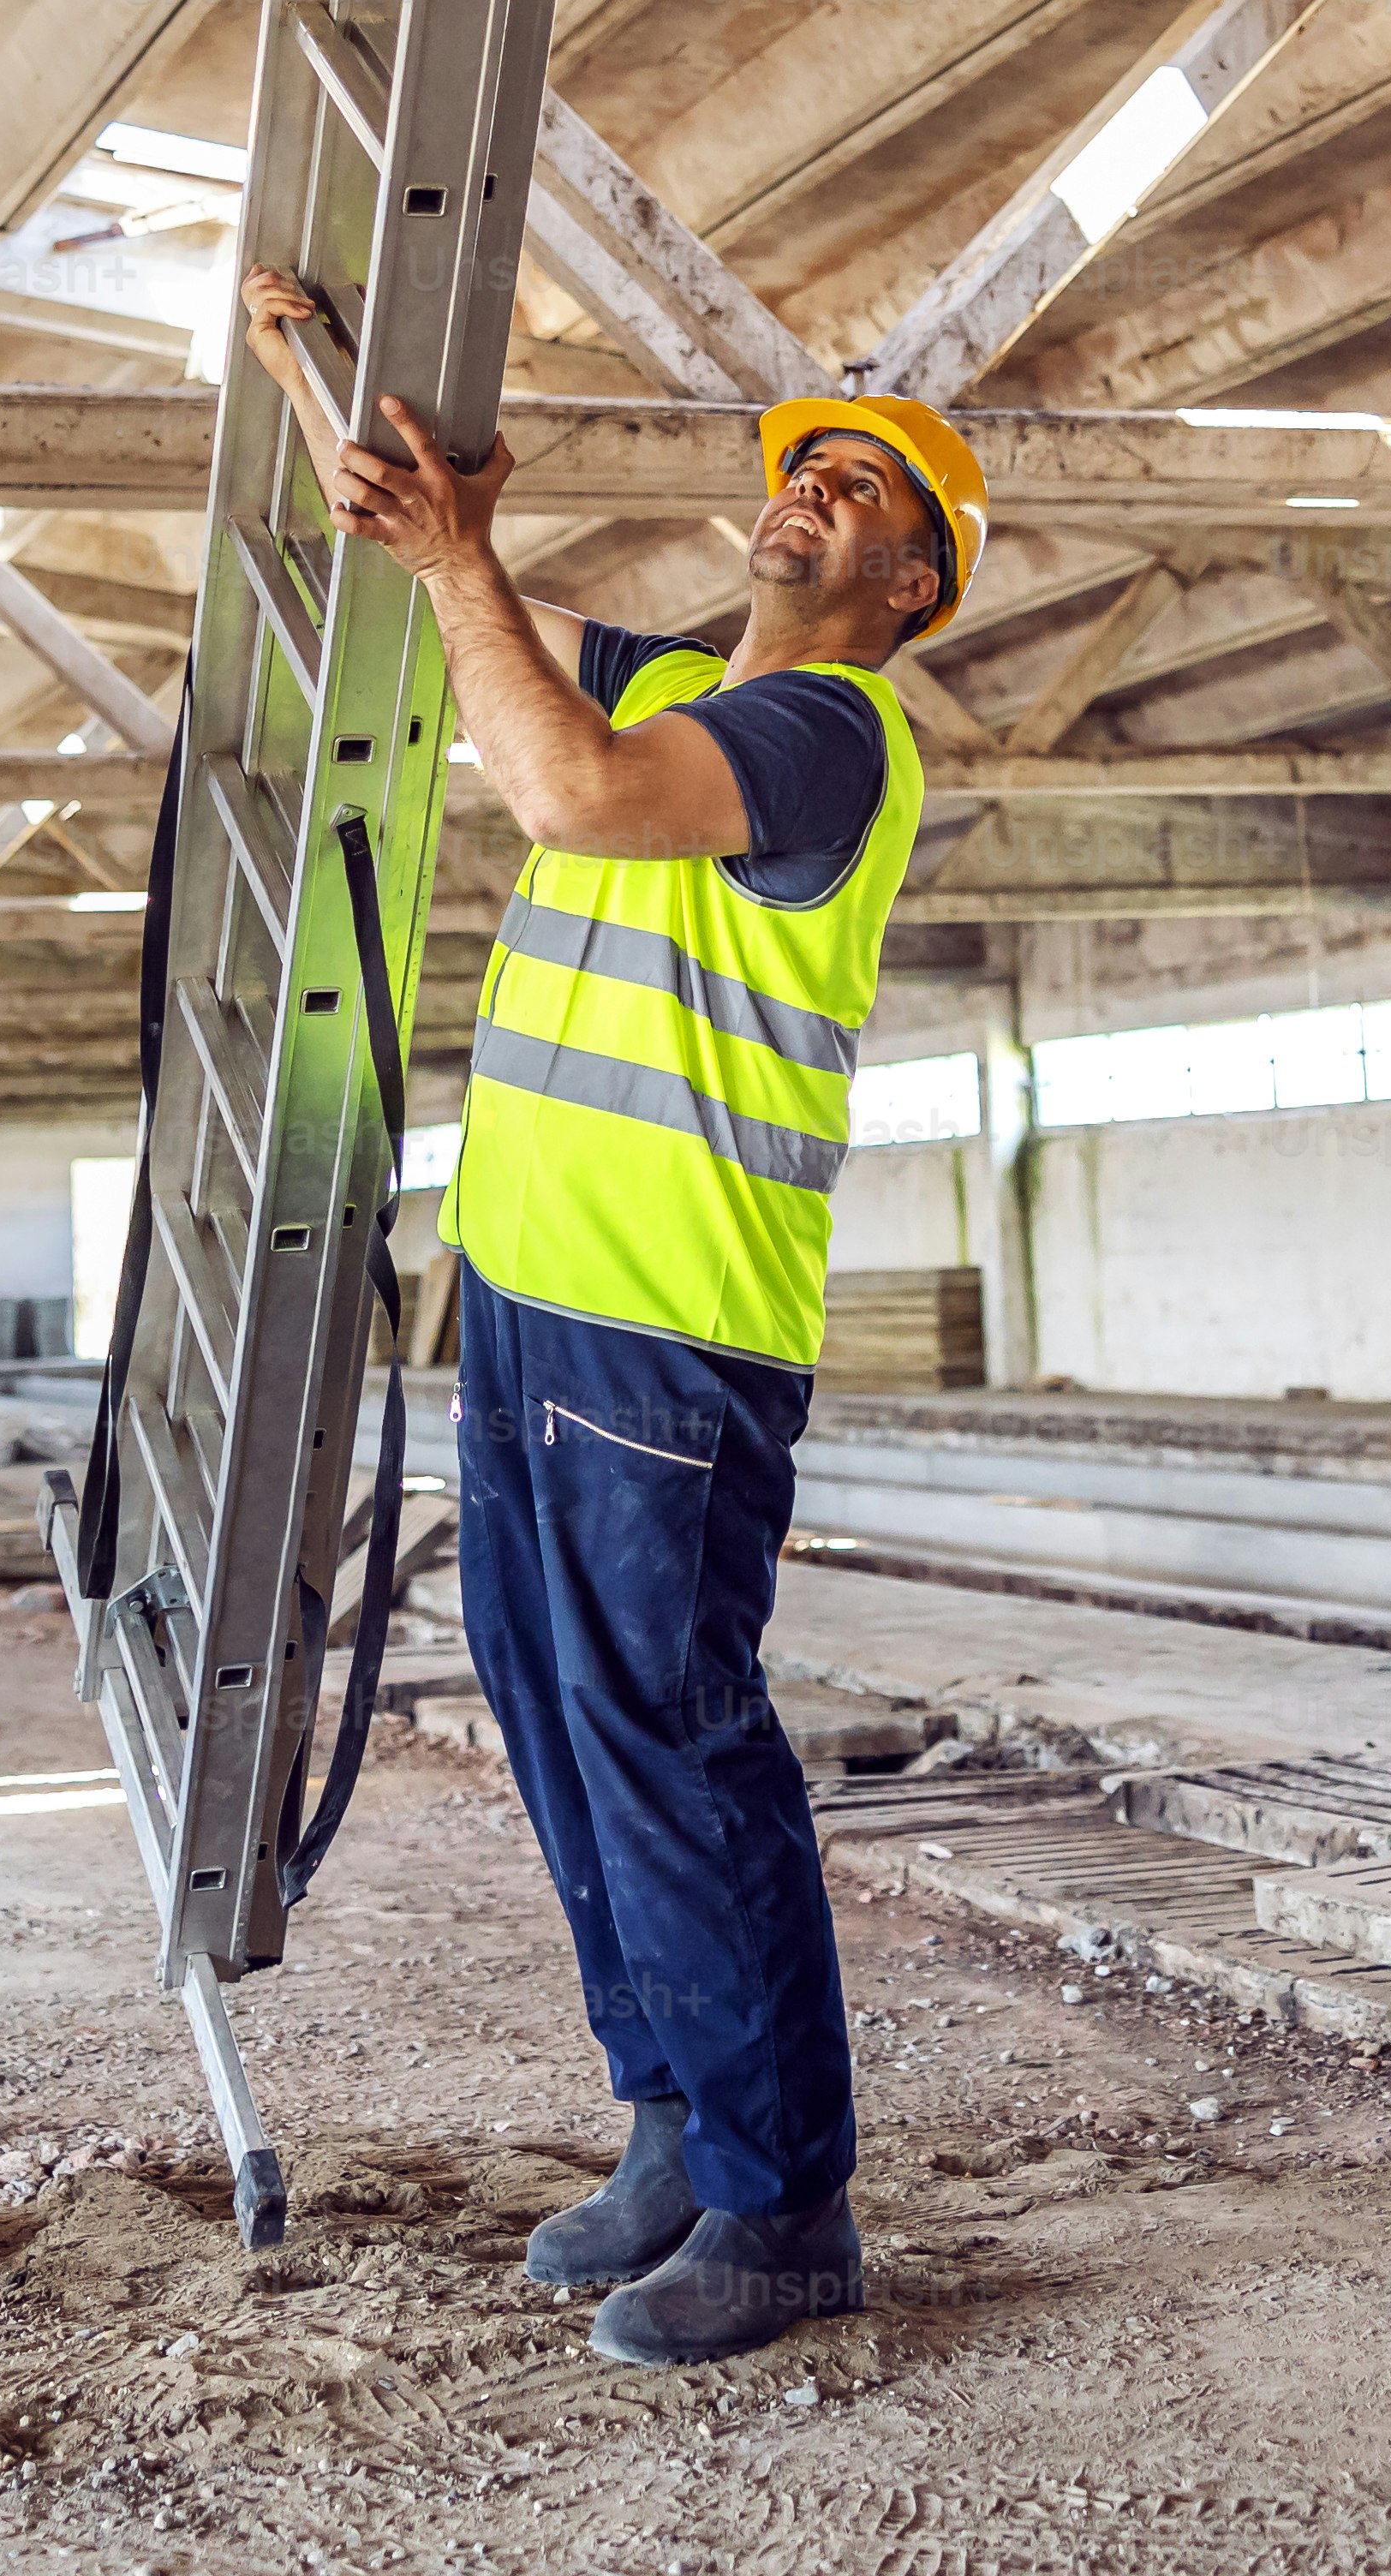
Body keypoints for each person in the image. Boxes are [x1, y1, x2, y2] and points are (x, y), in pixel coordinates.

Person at [236, 266, 989, 2370]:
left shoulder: (822, 731)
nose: (813, 495)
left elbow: (562, 787)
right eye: (802, 469)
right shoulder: (673, 679)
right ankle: (672, 2124)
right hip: (541, 1306)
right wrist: (320, 364)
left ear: (910, 579)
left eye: (863, 493)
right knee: (569, 1738)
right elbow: (427, 600)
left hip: (669, 1332)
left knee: (670, 1743)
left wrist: (474, 558)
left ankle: (784, 2203)